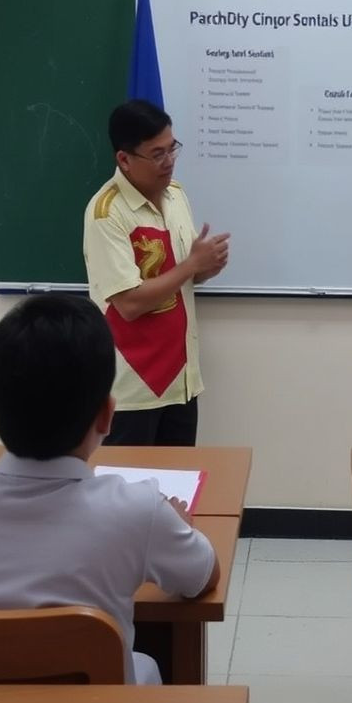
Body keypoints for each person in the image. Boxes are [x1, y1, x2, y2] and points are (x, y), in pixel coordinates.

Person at [0, 293, 219, 684]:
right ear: (107, 415)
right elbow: (203, 577)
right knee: (146, 665)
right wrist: (180, 526)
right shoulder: (139, 511)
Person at [83, 100, 230, 446]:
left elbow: (181, 276)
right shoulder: (106, 213)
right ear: (125, 159)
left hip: (181, 380)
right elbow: (129, 304)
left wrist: (205, 268)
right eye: (157, 154)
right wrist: (191, 265)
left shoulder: (176, 195)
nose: (169, 161)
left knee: (178, 479)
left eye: (172, 148)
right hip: (134, 389)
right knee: (128, 481)